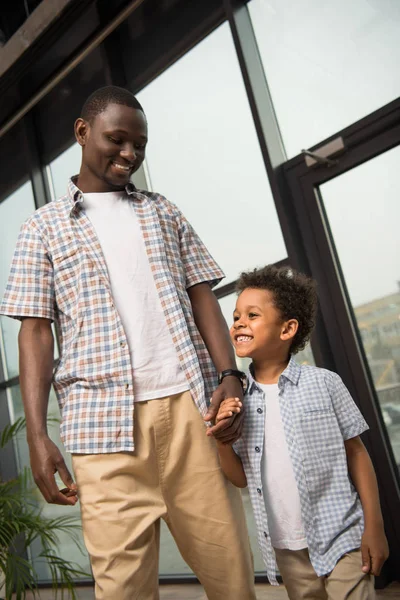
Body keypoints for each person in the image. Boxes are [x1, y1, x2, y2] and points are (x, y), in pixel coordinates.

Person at [0, 86, 256, 600]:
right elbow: (34, 332)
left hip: (191, 414)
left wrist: (229, 375)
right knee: (122, 591)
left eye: (139, 145)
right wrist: (36, 435)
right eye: (117, 139)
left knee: (232, 580)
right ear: (82, 132)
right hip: (102, 429)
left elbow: (202, 295)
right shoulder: (41, 229)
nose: (129, 154)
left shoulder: (163, 211)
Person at [213, 265, 389, 600]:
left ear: (287, 329)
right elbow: (240, 479)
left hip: (342, 534)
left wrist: (374, 526)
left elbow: (357, 453)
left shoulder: (324, 383)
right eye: (235, 316)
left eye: (252, 315)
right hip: (287, 549)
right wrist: (223, 443)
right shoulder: (237, 402)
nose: (238, 323)